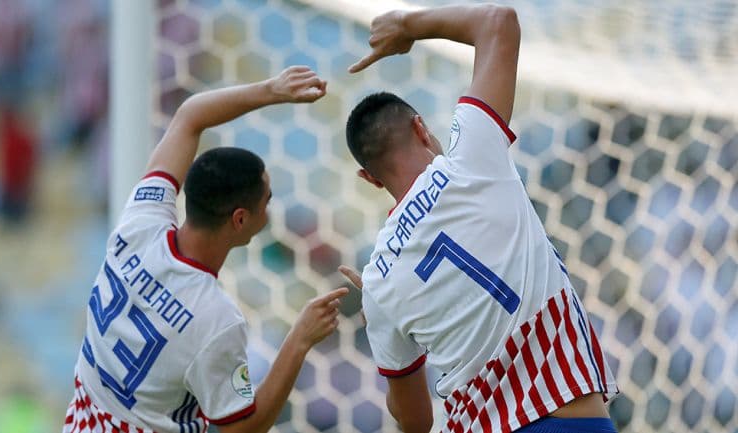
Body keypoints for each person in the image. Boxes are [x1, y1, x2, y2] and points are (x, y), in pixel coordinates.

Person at [340, 5, 618, 433]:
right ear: (420, 128)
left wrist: (383, 311)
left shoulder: (379, 279)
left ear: (369, 178)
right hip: (565, 417)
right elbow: (498, 22)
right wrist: (408, 26)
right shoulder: (471, 155)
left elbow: (415, 422)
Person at [64, 66, 349, 433]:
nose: (271, 209)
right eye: (268, 200)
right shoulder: (215, 320)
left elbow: (189, 117)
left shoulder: (140, 222)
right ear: (241, 219)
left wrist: (271, 89)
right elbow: (242, 428)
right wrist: (299, 340)